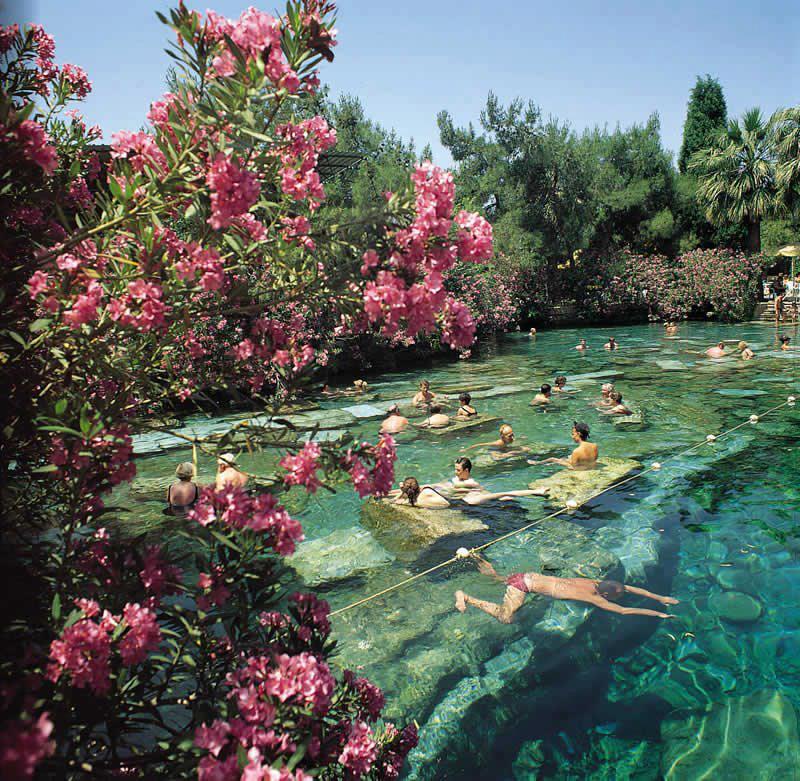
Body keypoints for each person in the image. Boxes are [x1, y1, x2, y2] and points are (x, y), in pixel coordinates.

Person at [454, 554, 678, 624]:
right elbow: (625, 611)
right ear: (606, 596)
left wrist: (660, 597)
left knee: (501, 579)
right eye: (615, 597)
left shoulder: (594, 582)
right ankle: (465, 596)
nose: (619, 597)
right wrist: (658, 612)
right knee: (506, 618)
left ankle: (479, 560)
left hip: (527, 576)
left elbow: (627, 588)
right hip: (522, 586)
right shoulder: (595, 598)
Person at [386, 475, 546, 508]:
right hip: (466, 501)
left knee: (499, 499)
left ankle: (535, 493)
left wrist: (400, 492)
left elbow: (395, 500)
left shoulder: (413, 503)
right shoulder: (426, 490)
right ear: (418, 486)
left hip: (460, 505)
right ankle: (537, 492)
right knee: (502, 494)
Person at [528, 421, 598, 470]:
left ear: (579, 434)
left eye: (573, 434)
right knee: (564, 458)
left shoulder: (576, 451)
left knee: (552, 459)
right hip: (589, 467)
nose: (572, 436)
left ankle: (537, 463)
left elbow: (574, 468)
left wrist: (560, 462)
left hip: (580, 469)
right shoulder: (594, 446)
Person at [464, 424, 531, 457]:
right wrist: (466, 450)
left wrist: (521, 438)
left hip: (503, 449)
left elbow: (515, 439)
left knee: (526, 449)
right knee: (503, 456)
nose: (512, 437)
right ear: (503, 436)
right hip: (494, 450)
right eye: (510, 436)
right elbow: (479, 444)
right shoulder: (498, 443)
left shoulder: (511, 439)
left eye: (512, 434)